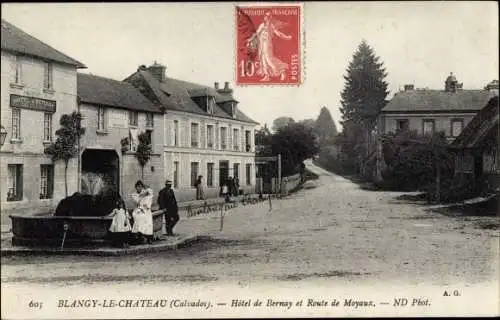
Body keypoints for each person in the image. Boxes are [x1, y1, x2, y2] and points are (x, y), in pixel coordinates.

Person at [246, 11, 292, 81]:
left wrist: (287, 37)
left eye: (269, 16)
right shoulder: (262, 25)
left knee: (268, 59)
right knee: (263, 60)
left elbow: (279, 34)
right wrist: (250, 39)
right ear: (264, 17)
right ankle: (266, 76)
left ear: (271, 17)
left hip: (267, 45)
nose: (267, 18)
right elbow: (257, 34)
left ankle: (282, 72)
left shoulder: (271, 26)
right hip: (261, 45)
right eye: (266, 16)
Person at [131, 180, 154, 244]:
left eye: (141, 187)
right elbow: (137, 201)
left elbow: (151, 193)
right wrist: (143, 195)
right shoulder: (134, 194)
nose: (139, 188)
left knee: (148, 220)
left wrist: (147, 189)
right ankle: (139, 235)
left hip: (146, 209)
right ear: (136, 187)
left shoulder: (145, 192)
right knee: (139, 218)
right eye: (138, 187)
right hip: (138, 210)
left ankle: (149, 237)